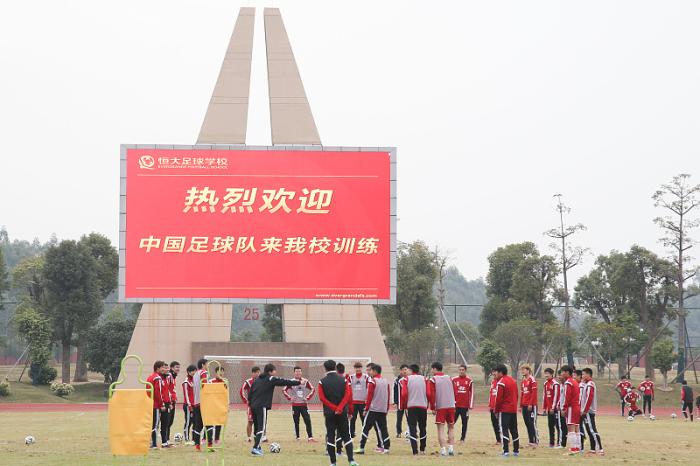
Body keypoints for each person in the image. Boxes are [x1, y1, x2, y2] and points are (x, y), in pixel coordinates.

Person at [248, 363, 301, 456]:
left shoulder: (257, 380)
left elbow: (250, 394)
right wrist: (298, 382)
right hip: (261, 406)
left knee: (256, 427)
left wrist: (251, 403)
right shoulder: (271, 378)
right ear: (270, 371)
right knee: (261, 427)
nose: (275, 372)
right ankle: (255, 448)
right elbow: (283, 381)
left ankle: (258, 447)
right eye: (274, 370)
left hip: (253, 406)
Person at [317, 360, 360, 466]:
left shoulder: (322, 381)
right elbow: (348, 395)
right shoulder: (344, 380)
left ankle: (333, 463)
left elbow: (322, 398)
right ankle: (351, 460)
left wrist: (333, 408)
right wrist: (340, 408)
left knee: (331, 436)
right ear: (335, 367)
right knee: (346, 436)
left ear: (325, 368)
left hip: (329, 413)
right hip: (342, 412)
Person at [356, 363, 391, 455]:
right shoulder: (386, 381)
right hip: (382, 409)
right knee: (383, 429)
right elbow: (388, 396)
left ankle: (361, 447)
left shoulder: (372, 382)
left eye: (370, 370)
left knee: (365, 428)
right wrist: (386, 408)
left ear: (375, 371)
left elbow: (369, 396)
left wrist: (366, 408)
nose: (369, 372)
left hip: (373, 409)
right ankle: (386, 448)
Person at [428, 362, 456, 457]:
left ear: (435, 369)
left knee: (440, 429)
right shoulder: (449, 378)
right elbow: (454, 391)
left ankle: (443, 450)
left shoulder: (433, 380)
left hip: (441, 406)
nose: (432, 371)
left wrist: (433, 407)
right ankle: (451, 448)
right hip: (451, 405)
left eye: (432, 369)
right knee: (451, 427)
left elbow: (431, 395)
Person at [400, 364, 428, 455]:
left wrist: (404, 405)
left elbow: (404, 394)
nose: (406, 372)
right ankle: (422, 449)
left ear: (411, 370)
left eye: (408, 370)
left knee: (412, 428)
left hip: (411, 406)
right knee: (423, 427)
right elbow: (429, 393)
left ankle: (415, 450)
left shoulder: (406, 379)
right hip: (423, 406)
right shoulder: (424, 379)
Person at [282, 366, 316, 442]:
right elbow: (284, 390)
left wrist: (307, 398)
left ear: (301, 372)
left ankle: (310, 437)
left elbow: (313, 389)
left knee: (307, 420)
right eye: (296, 371)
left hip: (303, 405)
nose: (298, 373)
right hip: (295, 405)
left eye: (299, 371)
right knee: (296, 421)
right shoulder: (291, 381)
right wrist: (289, 398)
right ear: (294, 373)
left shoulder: (305, 381)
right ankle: (297, 437)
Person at [493, 364, 519, 457]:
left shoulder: (501, 382)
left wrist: (496, 410)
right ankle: (516, 450)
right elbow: (516, 395)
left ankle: (506, 451)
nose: (495, 373)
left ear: (500, 372)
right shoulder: (513, 381)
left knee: (504, 429)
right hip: (513, 410)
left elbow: (498, 399)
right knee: (514, 430)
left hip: (504, 410)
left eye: (496, 372)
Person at [581, 368, 604, 456]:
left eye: (583, 374)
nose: (582, 376)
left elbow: (589, 398)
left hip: (588, 411)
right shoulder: (587, 384)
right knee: (589, 430)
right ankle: (593, 449)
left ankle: (600, 449)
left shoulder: (590, 385)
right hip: (587, 411)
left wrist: (585, 410)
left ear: (588, 374)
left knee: (592, 430)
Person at [560, 365, 581, 455]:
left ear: (567, 372)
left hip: (571, 407)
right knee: (576, 428)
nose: (561, 374)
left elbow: (567, 397)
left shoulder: (568, 383)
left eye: (562, 372)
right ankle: (577, 447)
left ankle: (573, 448)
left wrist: (564, 408)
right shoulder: (575, 382)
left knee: (570, 428)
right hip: (577, 406)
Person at [146, 360, 167, 449]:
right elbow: (158, 392)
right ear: (158, 368)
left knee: (153, 424)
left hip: (150, 403)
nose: (164, 369)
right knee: (155, 424)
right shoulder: (157, 378)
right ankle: (154, 444)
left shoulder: (150, 377)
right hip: (156, 405)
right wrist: (162, 404)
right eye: (162, 367)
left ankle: (152, 442)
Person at [451, 364, 473, 444]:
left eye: (462, 370)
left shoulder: (469, 381)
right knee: (452, 422)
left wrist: (470, 405)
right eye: (460, 370)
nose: (461, 371)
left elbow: (472, 393)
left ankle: (462, 439)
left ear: (465, 370)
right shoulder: (453, 380)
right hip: (455, 405)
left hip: (465, 406)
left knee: (464, 423)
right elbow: (450, 392)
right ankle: (450, 436)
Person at [207, 366, 228, 447]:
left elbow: (226, 393)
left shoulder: (225, 381)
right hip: (212, 404)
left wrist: (227, 405)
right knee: (210, 421)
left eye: (222, 371)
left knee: (219, 421)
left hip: (221, 404)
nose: (221, 373)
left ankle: (216, 438)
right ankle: (206, 438)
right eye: (219, 372)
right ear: (215, 373)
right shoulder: (211, 381)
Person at [192, 358, 209, 451]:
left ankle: (197, 445)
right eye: (207, 364)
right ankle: (210, 445)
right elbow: (205, 385)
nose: (208, 366)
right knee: (209, 423)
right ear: (203, 365)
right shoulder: (203, 372)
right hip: (204, 401)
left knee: (198, 425)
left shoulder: (195, 374)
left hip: (196, 402)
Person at [542, 368, 563, 448]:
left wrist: (553, 408)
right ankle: (551, 443)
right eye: (545, 373)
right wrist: (544, 407)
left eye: (547, 373)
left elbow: (556, 396)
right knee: (550, 426)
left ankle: (559, 442)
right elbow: (545, 396)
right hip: (549, 409)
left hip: (555, 409)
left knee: (558, 426)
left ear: (551, 374)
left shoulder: (555, 384)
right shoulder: (545, 383)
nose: (546, 375)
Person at [240, 366, 261, 442]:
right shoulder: (248, 382)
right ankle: (249, 437)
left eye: (258, 372)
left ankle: (260, 437)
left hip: (260, 405)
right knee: (250, 421)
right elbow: (241, 390)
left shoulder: (262, 381)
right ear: (252, 373)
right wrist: (246, 401)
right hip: (251, 406)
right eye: (256, 372)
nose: (257, 374)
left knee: (260, 422)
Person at [349, 362, 369, 440]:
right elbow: (347, 388)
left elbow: (369, 389)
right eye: (356, 368)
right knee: (352, 419)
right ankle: (351, 435)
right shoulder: (351, 377)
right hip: (353, 402)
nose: (358, 369)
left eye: (359, 367)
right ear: (354, 368)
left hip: (363, 402)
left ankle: (364, 435)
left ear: (361, 368)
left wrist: (367, 399)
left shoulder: (366, 377)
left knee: (364, 420)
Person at [520, 364, 538, 447]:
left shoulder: (532, 379)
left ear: (528, 370)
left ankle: (535, 441)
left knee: (532, 423)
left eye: (524, 369)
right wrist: (520, 405)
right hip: (524, 405)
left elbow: (534, 393)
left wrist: (530, 404)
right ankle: (531, 441)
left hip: (531, 405)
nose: (522, 371)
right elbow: (522, 393)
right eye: (522, 370)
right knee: (527, 423)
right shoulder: (523, 381)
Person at [164, 361, 179, 446]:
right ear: (172, 368)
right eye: (176, 367)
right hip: (169, 402)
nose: (178, 369)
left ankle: (167, 440)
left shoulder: (173, 376)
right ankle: (166, 440)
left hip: (172, 401)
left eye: (179, 367)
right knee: (167, 421)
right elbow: (166, 388)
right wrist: (170, 401)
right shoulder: (169, 376)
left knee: (170, 422)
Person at [181, 364, 196, 445]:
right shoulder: (186, 382)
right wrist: (189, 405)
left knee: (195, 422)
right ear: (188, 372)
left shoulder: (195, 381)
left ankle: (194, 438)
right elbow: (186, 395)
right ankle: (186, 439)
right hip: (188, 405)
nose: (194, 372)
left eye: (195, 371)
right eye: (192, 371)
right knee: (188, 422)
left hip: (195, 405)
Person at [393, 364, 408, 438]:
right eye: (403, 370)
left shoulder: (409, 379)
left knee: (410, 418)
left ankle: (411, 431)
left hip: (408, 402)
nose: (404, 371)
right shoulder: (397, 380)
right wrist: (395, 402)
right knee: (399, 418)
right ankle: (398, 432)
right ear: (400, 371)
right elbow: (395, 391)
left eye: (406, 369)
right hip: (400, 402)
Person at [574, 369, 586, 452]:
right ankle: (578, 445)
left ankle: (581, 446)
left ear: (579, 376)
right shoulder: (577, 385)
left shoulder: (581, 386)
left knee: (579, 426)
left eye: (575, 375)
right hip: (578, 409)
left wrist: (580, 409)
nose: (573, 377)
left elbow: (580, 399)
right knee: (578, 426)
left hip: (580, 410)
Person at [488, 369, 501, 444]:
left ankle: (505, 438)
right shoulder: (493, 382)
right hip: (492, 407)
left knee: (502, 424)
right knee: (494, 424)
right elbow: (491, 394)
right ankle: (498, 439)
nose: (493, 374)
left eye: (495, 372)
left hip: (499, 408)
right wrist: (490, 405)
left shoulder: (502, 382)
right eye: (493, 372)